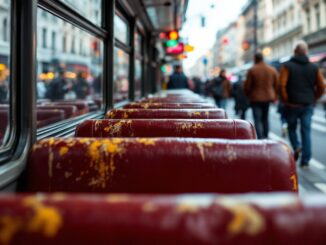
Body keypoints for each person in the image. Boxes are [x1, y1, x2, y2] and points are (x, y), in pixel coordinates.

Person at [279, 40, 325, 168]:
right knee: (306, 131)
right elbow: (321, 86)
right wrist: (314, 98)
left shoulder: (287, 66)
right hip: (307, 105)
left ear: (294, 51)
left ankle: (296, 146)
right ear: (306, 52)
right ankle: (306, 160)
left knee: (292, 128)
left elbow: (281, 85)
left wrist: (286, 99)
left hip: (292, 105)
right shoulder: (314, 67)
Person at [244, 53, 278, 139]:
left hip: (255, 98)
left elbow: (247, 86)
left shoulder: (252, 70)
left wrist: (248, 95)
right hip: (268, 97)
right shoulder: (271, 70)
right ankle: (266, 136)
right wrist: (274, 95)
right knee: (265, 117)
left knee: (257, 119)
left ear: (255, 59)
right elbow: (276, 84)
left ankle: (260, 137)